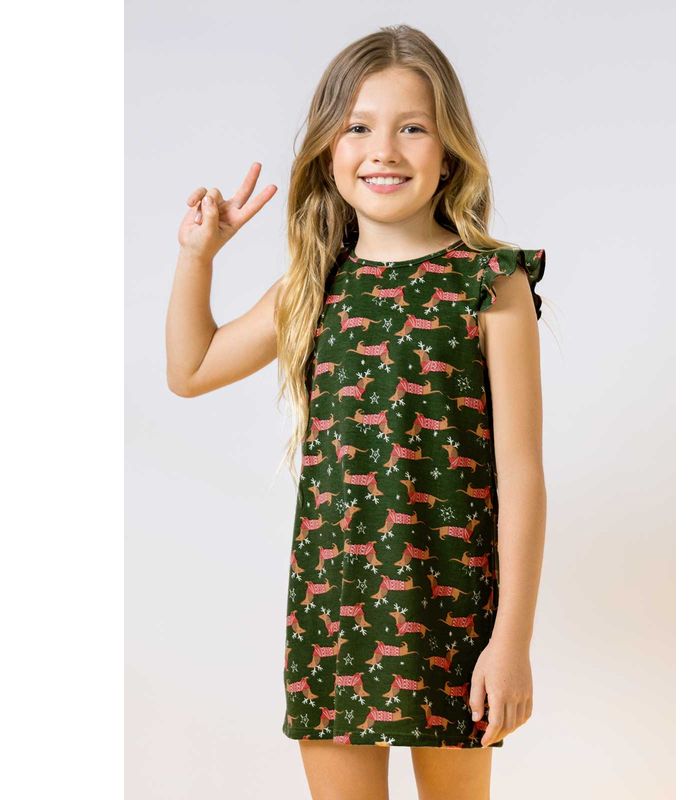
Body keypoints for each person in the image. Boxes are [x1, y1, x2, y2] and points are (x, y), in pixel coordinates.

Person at [166, 23, 547, 800]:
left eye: (413, 128)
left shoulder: (490, 283)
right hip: (334, 611)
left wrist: (511, 642)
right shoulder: (312, 286)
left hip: (452, 612)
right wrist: (197, 257)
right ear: (328, 151)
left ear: (449, 152)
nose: (385, 151)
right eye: (359, 128)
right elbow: (191, 369)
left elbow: (523, 476)